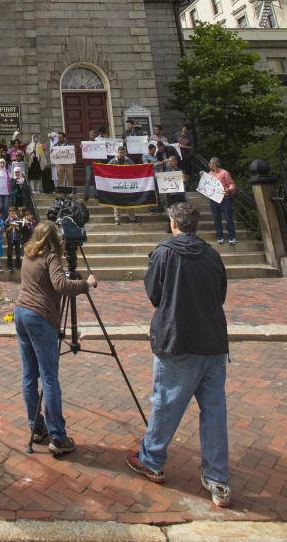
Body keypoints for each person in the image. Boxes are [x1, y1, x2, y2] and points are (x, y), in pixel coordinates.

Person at [126, 202, 231, 508]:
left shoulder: (164, 251)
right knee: (214, 412)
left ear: (173, 223)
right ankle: (218, 479)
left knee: (166, 402)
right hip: (213, 341)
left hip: (178, 338)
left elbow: (154, 293)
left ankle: (152, 459)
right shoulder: (213, 254)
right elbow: (221, 294)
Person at [14, 221, 97, 454]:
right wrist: (85, 284)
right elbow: (60, 284)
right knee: (49, 377)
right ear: (53, 239)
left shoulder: (28, 255)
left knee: (30, 374)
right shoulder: (51, 257)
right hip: (40, 316)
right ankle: (58, 437)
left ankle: (36, 426)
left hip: (21, 313)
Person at [201, 158, 236, 245]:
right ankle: (219, 237)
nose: (209, 165)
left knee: (228, 217)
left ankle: (231, 237)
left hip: (224, 197)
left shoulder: (224, 173)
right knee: (216, 218)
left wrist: (230, 189)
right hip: (214, 198)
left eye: (210, 163)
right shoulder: (210, 174)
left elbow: (231, 183)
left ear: (214, 164)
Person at [108, 146, 140, 225]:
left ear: (124, 153)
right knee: (117, 201)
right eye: (120, 152)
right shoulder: (113, 161)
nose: (121, 154)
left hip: (127, 184)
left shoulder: (129, 161)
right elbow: (107, 168)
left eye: (122, 152)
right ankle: (117, 218)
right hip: (117, 184)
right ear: (117, 152)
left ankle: (132, 218)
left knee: (130, 200)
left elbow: (134, 169)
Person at [6, 208, 24, 273]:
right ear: (9, 213)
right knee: (10, 252)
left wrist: (17, 228)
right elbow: (6, 229)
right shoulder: (7, 220)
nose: (13, 214)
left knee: (18, 252)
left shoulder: (18, 220)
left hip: (17, 238)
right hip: (10, 238)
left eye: (14, 213)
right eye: (12, 213)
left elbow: (21, 229)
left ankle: (19, 265)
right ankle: (10, 265)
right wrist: (11, 227)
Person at [82, 129, 98, 202]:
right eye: (91, 135)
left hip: (96, 163)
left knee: (96, 179)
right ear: (89, 135)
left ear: (95, 136)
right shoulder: (86, 143)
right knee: (88, 179)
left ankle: (96, 194)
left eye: (93, 135)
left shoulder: (98, 143)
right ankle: (87, 194)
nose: (92, 136)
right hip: (88, 163)